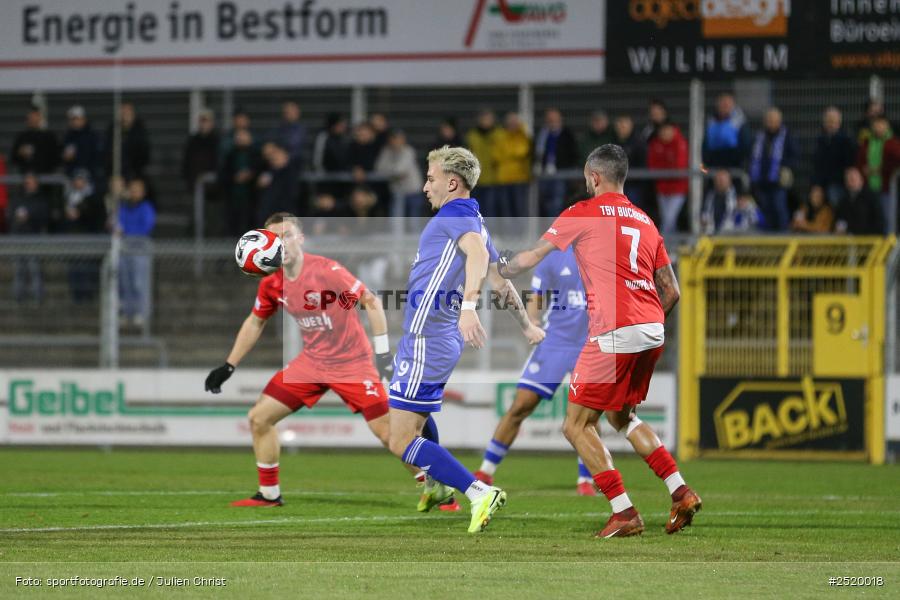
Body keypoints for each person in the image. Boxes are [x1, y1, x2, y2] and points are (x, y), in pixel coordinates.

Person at [497, 144, 701, 538]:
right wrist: (647, 324)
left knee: (575, 425)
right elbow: (671, 291)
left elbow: (529, 259)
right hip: (653, 330)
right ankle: (680, 491)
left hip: (613, 331)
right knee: (621, 416)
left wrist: (497, 265)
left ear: (594, 177)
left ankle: (623, 511)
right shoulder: (645, 220)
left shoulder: (582, 212)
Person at [204, 213, 452, 509]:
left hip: (352, 363)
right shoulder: (272, 283)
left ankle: (439, 488)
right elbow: (255, 322)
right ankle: (269, 495)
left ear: (301, 238)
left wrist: (383, 353)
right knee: (259, 417)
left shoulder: (327, 270)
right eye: (273, 237)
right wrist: (229, 365)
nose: (279, 242)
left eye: (286, 235)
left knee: (389, 434)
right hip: (312, 363)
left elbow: (370, 301)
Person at [385, 146, 545, 533]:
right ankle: (439, 487)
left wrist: (469, 307)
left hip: (429, 337)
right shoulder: (473, 217)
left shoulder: (456, 215)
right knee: (417, 418)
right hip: (430, 338)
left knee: (400, 438)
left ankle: (478, 492)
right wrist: (526, 325)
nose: (425, 187)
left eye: (431, 178)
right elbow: (499, 279)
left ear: (452, 183)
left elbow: (475, 256)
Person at [474, 245, 592, 495]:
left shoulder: (603, 253)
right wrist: (533, 320)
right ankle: (485, 471)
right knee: (521, 405)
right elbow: (538, 294)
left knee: (586, 413)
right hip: (555, 342)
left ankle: (587, 481)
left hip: (590, 343)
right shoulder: (554, 256)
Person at [749, 107, 798, 231]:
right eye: (768, 119)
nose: (770, 122)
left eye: (773, 119)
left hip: (778, 182)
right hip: (761, 182)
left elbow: (794, 156)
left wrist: (784, 167)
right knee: (765, 211)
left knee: (779, 209)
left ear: (779, 121)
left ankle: (783, 237)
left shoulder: (787, 136)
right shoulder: (759, 137)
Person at [117, 178, 155, 328]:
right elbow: (118, 225)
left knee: (139, 283)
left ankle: (142, 313)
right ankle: (127, 313)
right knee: (125, 283)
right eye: (132, 189)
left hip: (140, 250)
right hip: (125, 250)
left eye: (137, 190)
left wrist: (128, 234)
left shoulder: (146, 207)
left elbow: (146, 228)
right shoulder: (123, 207)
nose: (134, 193)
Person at [8, 173, 49, 304]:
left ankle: (38, 297)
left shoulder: (41, 199)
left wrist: (29, 217)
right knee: (19, 269)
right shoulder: (17, 198)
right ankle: (18, 297)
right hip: (18, 237)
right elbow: (10, 216)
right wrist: (17, 219)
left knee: (35, 268)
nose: (29, 184)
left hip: (34, 237)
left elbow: (44, 218)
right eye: (27, 182)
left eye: (32, 182)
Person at [534, 108, 579, 217]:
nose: (552, 121)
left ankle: (554, 228)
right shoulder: (543, 135)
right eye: (549, 119)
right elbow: (537, 152)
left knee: (556, 203)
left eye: (554, 119)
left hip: (560, 174)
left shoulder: (567, 134)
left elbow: (573, 154)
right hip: (544, 174)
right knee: (543, 202)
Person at [855, 116, 900, 224]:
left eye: (881, 124)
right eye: (876, 124)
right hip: (868, 187)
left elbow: (897, 161)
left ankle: (889, 239)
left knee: (887, 217)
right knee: (869, 218)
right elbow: (859, 162)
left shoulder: (893, 143)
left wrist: (881, 169)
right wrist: (863, 169)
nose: (878, 127)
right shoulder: (866, 142)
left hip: (887, 188)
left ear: (887, 125)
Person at [647, 121, 689, 234]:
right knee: (669, 219)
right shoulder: (655, 144)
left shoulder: (680, 143)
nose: (665, 133)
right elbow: (652, 165)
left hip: (678, 189)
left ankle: (660, 245)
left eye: (667, 130)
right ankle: (672, 248)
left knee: (669, 218)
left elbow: (679, 167)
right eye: (662, 131)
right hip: (662, 188)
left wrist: (665, 167)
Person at [219, 128, 262, 236]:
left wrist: (250, 175)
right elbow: (223, 173)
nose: (241, 139)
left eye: (244, 136)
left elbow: (260, 170)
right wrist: (234, 177)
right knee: (233, 225)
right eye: (239, 137)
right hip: (233, 198)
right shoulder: (230, 155)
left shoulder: (256, 154)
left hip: (251, 198)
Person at [374, 130, 423, 221]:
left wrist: (389, 171)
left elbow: (400, 170)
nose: (395, 142)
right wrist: (393, 172)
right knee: (396, 221)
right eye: (393, 139)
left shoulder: (409, 151)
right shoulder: (386, 151)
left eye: (398, 139)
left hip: (413, 191)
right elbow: (379, 169)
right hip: (397, 191)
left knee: (414, 222)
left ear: (403, 140)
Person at [812, 107, 856, 206]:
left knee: (837, 207)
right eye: (828, 121)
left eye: (833, 121)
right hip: (822, 183)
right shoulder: (820, 140)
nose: (830, 124)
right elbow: (816, 163)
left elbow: (849, 163)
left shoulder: (846, 140)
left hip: (838, 183)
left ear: (839, 122)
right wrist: (817, 184)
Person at [493, 112, 532, 222]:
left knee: (520, 209)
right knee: (506, 210)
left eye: (515, 122)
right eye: (511, 122)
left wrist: (509, 155)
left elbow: (523, 151)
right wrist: (514, 155)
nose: (513, 125)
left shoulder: (523, 136)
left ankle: (521, 234)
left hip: (520, 178)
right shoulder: (500, 136)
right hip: (503, 178)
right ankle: (508, 235)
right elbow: (496, 155)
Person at [465, 109, 503, 219]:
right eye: (484, 119)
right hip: (476, 179)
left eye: (488, 119)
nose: (486, 122)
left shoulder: (499, 134)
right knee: (476, 209)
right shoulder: (472, 136)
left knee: (491, 208)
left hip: (494, 178)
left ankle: (491, 231)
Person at [702, 92, 750, 171]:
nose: (725, 106)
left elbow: (745, 146)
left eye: (727, 104)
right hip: (714, 168)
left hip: (734, 168)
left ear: (733, 105)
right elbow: (705, 147)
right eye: (722, 104)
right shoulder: (710, 122)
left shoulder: (739, 123)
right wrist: (705, 168)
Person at [256, 142, 300, 223]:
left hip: (285, 213)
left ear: (285, 156)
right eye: (273, 155)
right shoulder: (267, 171)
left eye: (278, 154)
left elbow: (292, 194)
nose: (275, 157)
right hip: (268, 214)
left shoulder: (292, 171)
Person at [106, 102, 151, 180]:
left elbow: (144, 151)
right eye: (123, 113)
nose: (125, 115)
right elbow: (107, 151)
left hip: (135, 172)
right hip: (116, 173)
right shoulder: (113, 129)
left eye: (127, 112)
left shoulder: (140, 130)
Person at [835, 167, 885, 235]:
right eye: (848, 179)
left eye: (853, 179)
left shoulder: (871, 197)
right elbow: (840, 220)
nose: (850, 181)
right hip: (849, 240)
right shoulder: (843, 201)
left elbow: (879, 221)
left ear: (861, 180)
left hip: (869, 239)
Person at [10, 105, 59, 174]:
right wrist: (20, 153)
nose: (32, 119)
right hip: (26, 178)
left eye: (35, 116)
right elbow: (14, 158)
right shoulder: (22, 137)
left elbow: (56, 158)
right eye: (30, 116)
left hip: (45, 178)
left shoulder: (49, 136)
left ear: (40, 117)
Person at [61, 105, 102, 180]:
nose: (74, 122)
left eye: (76, 119)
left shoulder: (92, 136)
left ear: (83, 119)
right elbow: (65, 158)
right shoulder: (68, 136)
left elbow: (95, 158)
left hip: (89, 176)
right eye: (72, 119)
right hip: (72, 176)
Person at [270, 101, 306, 168]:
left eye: (292, 111)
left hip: (293, 161)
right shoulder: (279, 128)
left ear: (297, 113)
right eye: (287, 112)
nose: (289, 114)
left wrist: (283, 155)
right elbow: (272, 141)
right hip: (278, 158)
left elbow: (293, 144)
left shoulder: (300, 129)